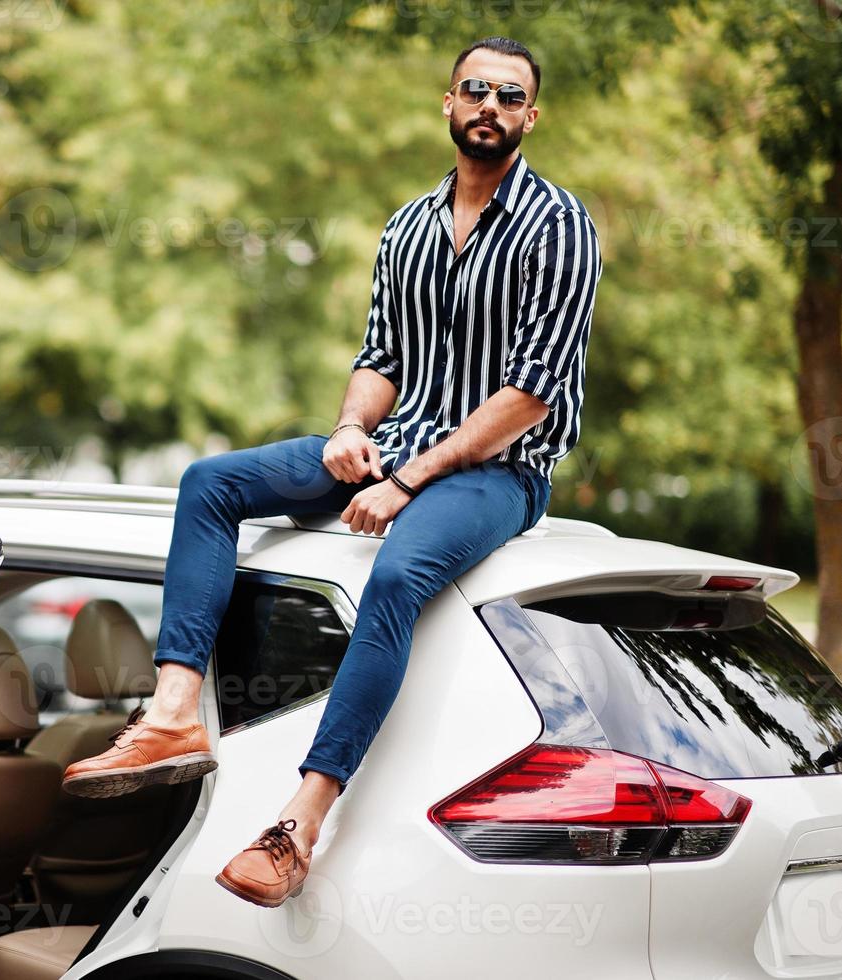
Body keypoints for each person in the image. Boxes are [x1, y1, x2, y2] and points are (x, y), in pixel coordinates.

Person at [59, 36, 602, 908]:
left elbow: (531, 394)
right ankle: (167, 719)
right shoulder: (408, 226)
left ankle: (297, 825)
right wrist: (351, 428)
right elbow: (381, 356)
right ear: (448, 103)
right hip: (392, 448)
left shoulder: (560, 226)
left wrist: (405, 481)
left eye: (509, 96)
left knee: (398, 573)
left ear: (530, 117)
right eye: (475, 90)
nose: (489, 106)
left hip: (496, 474)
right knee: (210, 484)